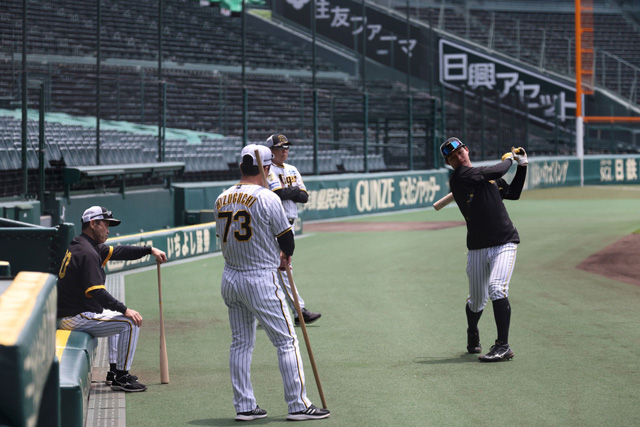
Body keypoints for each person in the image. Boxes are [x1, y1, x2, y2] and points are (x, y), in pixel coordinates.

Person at [214, 144, 330, 421]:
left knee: (240, 343)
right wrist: (285, 256)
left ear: (242, 166)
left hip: (230, 277)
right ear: (266, 168)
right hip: (261, 278)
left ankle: (244, 406)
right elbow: (286, 239)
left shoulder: (221, 198)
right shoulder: (267, 198)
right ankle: (298, 405)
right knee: (287, 341)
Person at [57, 206, 168, 391]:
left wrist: (149, 250)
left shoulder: (82, 243)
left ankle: (114, 371)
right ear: (93, 224)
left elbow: (119, 252)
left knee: (115, 315)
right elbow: (98, 293)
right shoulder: (87, 252)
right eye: (106, 224)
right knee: (130, 322)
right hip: (74, 317)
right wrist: (125, 309)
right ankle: (121, 378)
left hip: (74, 312)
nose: (108, 230)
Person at [440, 137, 527, 362]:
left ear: (467, 151)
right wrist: (509, 160)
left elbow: (513, 193)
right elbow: (497, 170)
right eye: (453, 157)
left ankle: (503, 346)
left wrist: (522, 166)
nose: (459, 157)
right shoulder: (460, 177)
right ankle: (472, 330)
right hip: (478, 246)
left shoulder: (486, 177)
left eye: (460, 152)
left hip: (505, 241)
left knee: (497, 288)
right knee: (477, 301)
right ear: (450, 163)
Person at [264, 133, 321, 326]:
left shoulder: (292, 169)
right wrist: (294, 192)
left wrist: (293, 192)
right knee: (283, 267)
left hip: (289, 223)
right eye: (281, 148)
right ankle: (299, 311)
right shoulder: (267, 170)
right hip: (274, 225)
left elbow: (304, 196)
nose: (285, 151)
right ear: (271, 151)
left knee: (273, 269)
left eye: (286, 147)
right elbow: (277, 193)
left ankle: (264, 313)